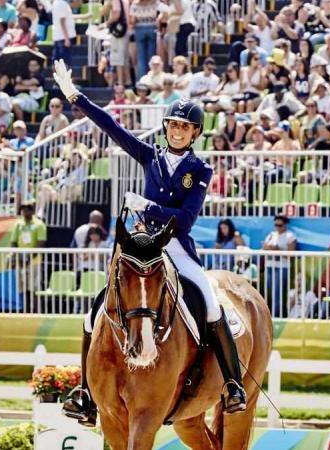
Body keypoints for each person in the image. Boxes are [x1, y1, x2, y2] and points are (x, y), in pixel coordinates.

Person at [53, 59, 246, 426]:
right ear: (166, 127)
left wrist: (148, 206)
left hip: (176, 247)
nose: (177, 132)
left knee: (209, 304)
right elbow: (113, 129)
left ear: (194, 133)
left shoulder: (200, 170)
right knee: (94, 309)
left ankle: (233, 384)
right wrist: (76, 96)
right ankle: (86, 393)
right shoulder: (150, 156)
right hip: (144, 247)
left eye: (185, 128)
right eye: (173, 125)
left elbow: (185, 220)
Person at [263, 215, 296, 319]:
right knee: (269, 292)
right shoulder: (271, 235)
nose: (277, 227)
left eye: (280, 225)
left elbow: (291, 254)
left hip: (282, 267)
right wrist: (267, 248)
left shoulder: (290, 236)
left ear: (285, 224)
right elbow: (264, 248)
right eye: (276, 225)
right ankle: (271, 315)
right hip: (269, 266)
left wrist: (277, 250)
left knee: (277, 294)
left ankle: (276, 317)